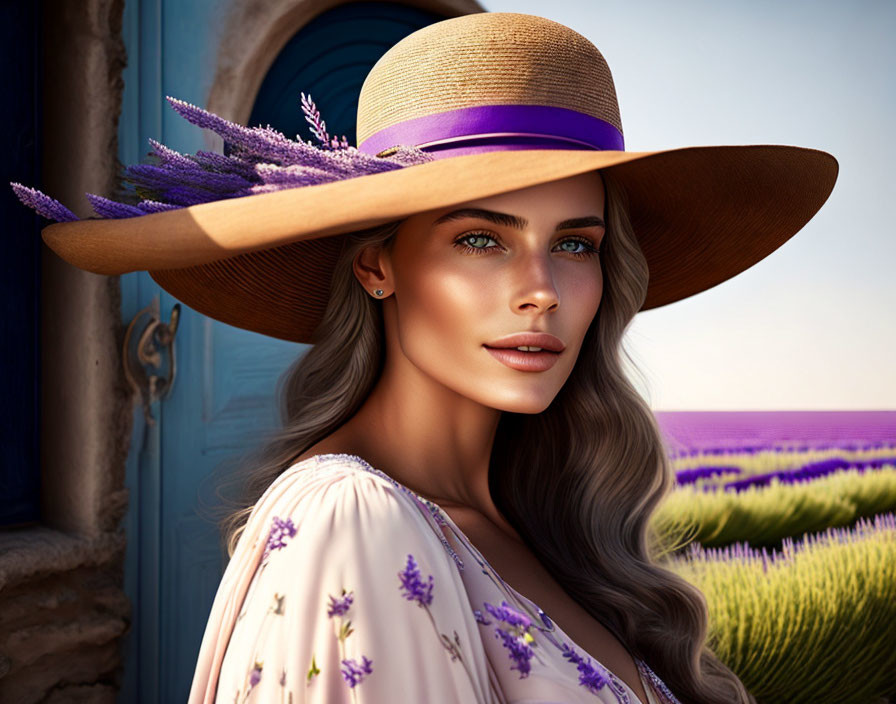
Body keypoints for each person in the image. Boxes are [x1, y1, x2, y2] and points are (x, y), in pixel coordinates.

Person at [12, 11, 838, 704]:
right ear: (378, 264)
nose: (541, 289)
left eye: (575, 245)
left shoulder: (533, 525)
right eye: (482, 238)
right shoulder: (354, 523)